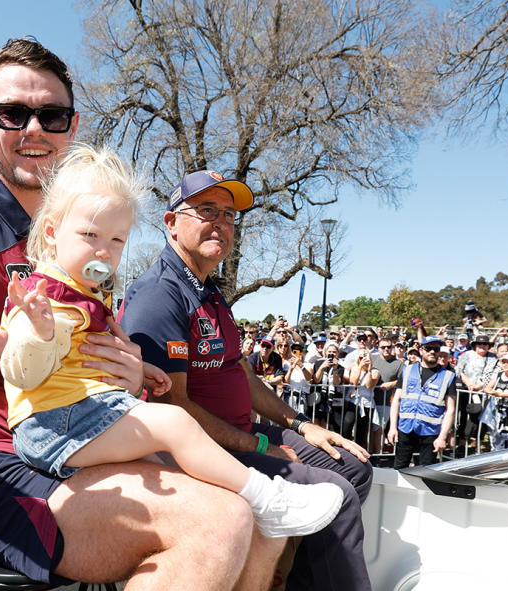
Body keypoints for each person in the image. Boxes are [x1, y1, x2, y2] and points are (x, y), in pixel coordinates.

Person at [0, 38, 284, 589]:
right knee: (220, 524)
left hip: (77, 443)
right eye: (13, 113)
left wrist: (132, 376)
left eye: (51, 115)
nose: (34, 130)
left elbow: (98, 365)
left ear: (72, 126)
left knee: (267, 522)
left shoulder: (92, 244)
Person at [1, 145, 342, 538]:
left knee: (172, 463)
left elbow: (80, 357)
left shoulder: (84, 291)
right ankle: (268, 499)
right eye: (89, 234)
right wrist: (40, 334)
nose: (103, 251)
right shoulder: (45, 298)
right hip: (55, 426)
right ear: (51, 233)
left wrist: (142, 370)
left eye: (116, 240)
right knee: (176, 423)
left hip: (84, 415)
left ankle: (253, 510)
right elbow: (22, 372)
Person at [120, 170, 374, 590]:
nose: (221, 222)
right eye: (206, 210)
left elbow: (239, 371)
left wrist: (301, 426)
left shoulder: (212, 292)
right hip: (197, 451)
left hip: (241, 433)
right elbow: (172, 410)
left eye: (229, 215)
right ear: (171, 223)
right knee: (337, 495)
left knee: (356, 468)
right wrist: (265, 447)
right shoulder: (158, 295)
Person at [387, 335, 457, 469]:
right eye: (429, 348)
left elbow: (451, 410)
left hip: (430, 432)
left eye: (436, 349)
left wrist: (442, 437)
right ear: (421, 350)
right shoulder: (407, 370)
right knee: (400, 468)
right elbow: (396, 400)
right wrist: (392, 428)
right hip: (406, 428)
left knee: (426, 472)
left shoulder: (448, 376)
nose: (432, 352)